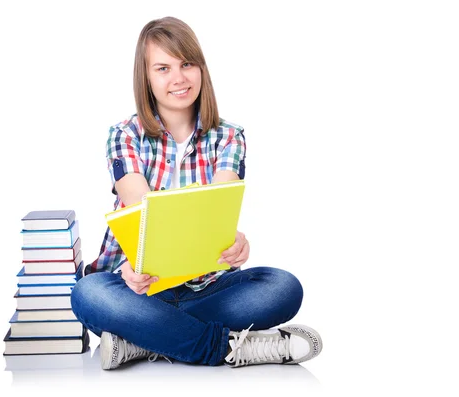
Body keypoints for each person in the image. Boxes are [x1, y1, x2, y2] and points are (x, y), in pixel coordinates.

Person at [70, 16, 323, 370]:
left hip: (205, 288)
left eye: (187, 63)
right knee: (88, 294)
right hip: (133, 287)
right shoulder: (124, 135)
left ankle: (143, 340)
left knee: (281, 287)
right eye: (163, 68)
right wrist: (137, 268)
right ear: (146, 78)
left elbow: (217, 211)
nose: (179, 78)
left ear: (201, 68)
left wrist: (233, 243)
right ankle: (227, 348)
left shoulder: (229, 137)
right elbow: (140, 210)